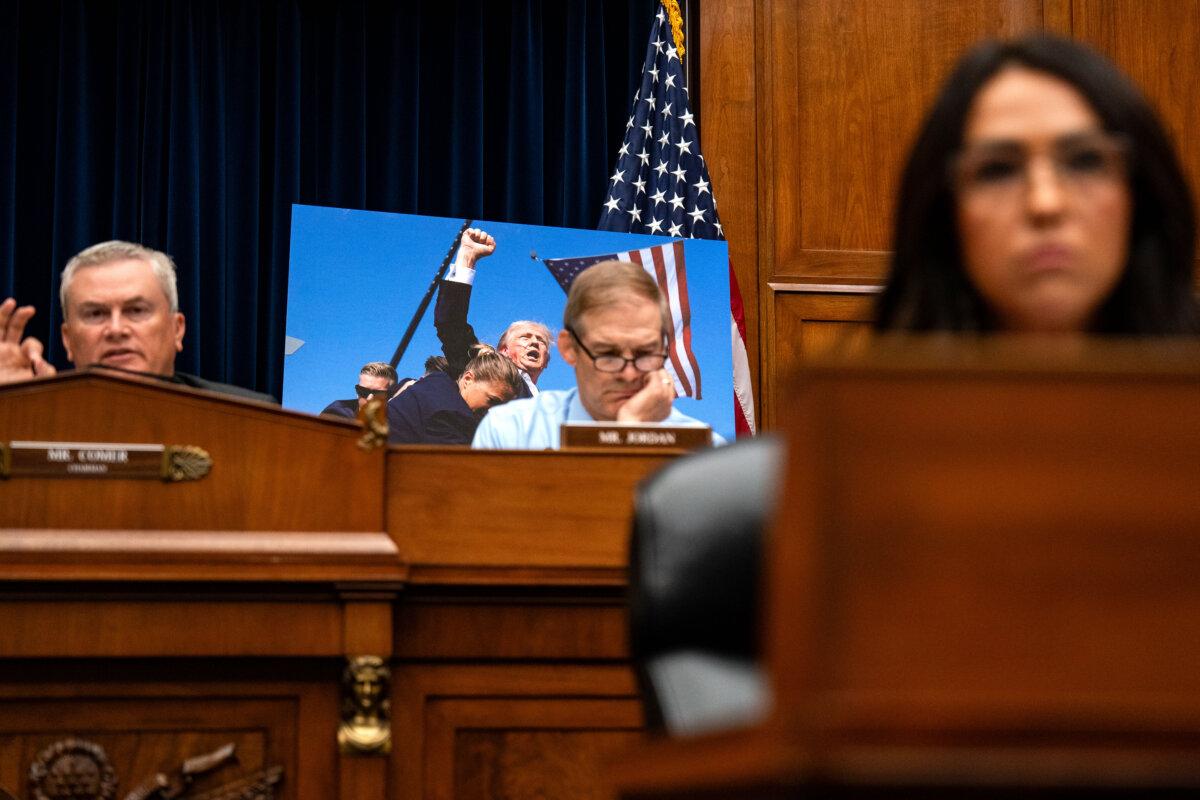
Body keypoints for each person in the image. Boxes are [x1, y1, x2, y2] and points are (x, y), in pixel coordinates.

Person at [874, 34, 1198, 336]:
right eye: (997, 170)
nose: (1045, 203)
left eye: (1085, 161)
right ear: (945, 212)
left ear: (1140, 195)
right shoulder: (866, 396)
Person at [472, 260, 718, 450]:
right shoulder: (509, 430)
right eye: (608, 354)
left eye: (646, 353)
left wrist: (630, 433)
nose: (630, 373)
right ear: (570, 349)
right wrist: (626, 436)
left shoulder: (705, 450)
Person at [0, 240, 274, 401]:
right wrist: (17, 410)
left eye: (136, 310)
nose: (116, 329)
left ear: (177, 330)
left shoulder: (251, 418)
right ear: (67, 340)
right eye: (96, 314)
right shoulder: (35, 411)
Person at [434, 227, 551, 397]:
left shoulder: (547, 405)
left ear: (546, 360)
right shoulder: (486, 368)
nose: (534, 343)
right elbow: (451, 325)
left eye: (541, 341)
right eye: (525, 337)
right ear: (504, 350)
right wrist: (467, 257)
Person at [387, 344, 524, 445]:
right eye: (492, 400)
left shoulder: (437, 384)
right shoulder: (450, 413)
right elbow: (456, 472)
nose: (494, 411)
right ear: (468, 379)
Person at [321, 361, 397, 418]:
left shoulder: (400, 421)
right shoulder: (337, 414)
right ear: (357, 393)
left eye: (378, 394)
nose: (369, 399)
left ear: (392, 396)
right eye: (363, 391)